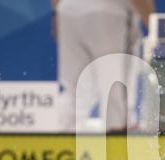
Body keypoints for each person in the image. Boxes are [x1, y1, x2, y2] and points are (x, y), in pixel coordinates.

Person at [51, 0, 156, 132]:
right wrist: (156, 29)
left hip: (68, 9)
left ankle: (62, 136)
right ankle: (118, 138)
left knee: (73, 89)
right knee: (116, 87)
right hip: (109, 11)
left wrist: (59, 10)